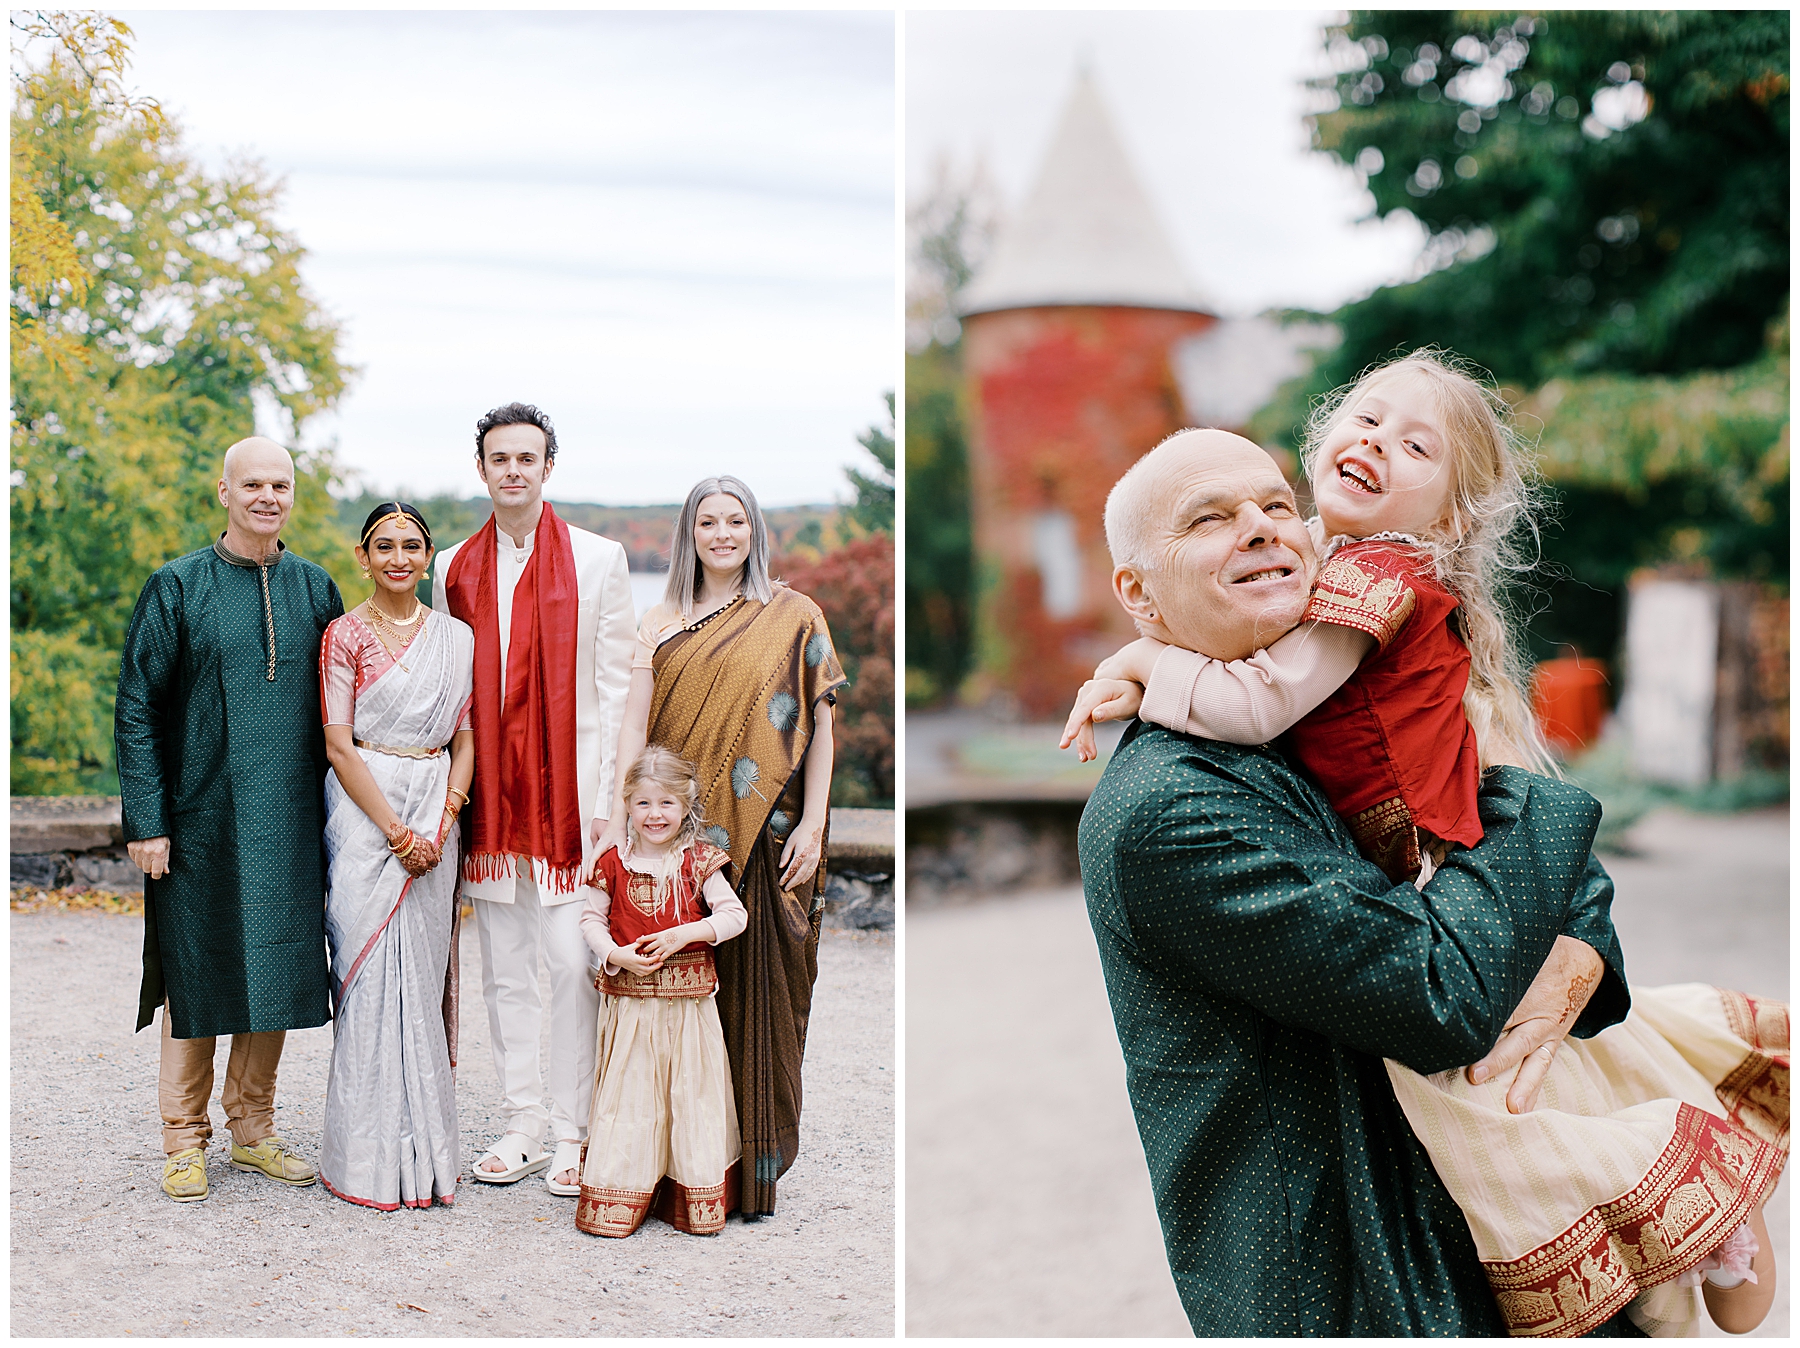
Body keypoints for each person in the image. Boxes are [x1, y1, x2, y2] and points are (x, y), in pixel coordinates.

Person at [1066, 361, 1785, 1333]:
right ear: (1140, 595)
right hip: (1360, 1285)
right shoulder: (1173, 809)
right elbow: (1440, 986)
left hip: (1444, 1232)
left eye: (1276, 504)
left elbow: (1549, 875)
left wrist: (1578, 948)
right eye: (1208, 518)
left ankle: (1693, 1210)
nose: (1262, 527)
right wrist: (1533, 823)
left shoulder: (1324, 675)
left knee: (1588, 1079)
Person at [606, 475, 846, 1217]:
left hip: (771, 836)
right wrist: (618, 824)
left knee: (765, 994)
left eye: (734, 520)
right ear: (689, 533)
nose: (721, 534)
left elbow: (821, 727)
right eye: (707, 522)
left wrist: (813, 821)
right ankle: (684, 1171)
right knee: (679, 1013)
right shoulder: (662, 621)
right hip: (676, 841)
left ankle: (754, 1169)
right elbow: (635, 731)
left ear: (753, 529)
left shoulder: (794, 614)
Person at [115, 436, 343, 1203]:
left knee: (274, 970)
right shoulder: (176, 587)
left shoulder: (316, 588)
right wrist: (147, 821)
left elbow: (347, 708)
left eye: (280, 483)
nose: (266, 496)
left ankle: (253, 1129)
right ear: (223, 491)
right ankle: (183, 1138)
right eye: (253, 484)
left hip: (291, 819)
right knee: (197, 970)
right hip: (200, 819)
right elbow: (137, 709)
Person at [432, 402, 635, 1196]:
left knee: (569, 965)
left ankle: (572, 1131)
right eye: (499, 458)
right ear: (481, 469)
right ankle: (520, 1124)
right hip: (490, 805)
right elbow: (447, 691)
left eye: (527, 457)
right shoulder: (452, 564)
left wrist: (611, 804)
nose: (512, 470)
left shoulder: (598, 560)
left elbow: (617, 689)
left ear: (549, 467)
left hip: (569, 806)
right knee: (503, 973)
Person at [317, 503, 475, 1210]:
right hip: (365, 813)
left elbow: (466, 738)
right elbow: (337, 743)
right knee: (369, 976)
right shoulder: (343, 635)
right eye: (385, 546)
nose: (399, 558)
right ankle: (365, 1165)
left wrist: (441, 820)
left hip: (437, 807)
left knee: (422, 975)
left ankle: (428, 1159)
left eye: (412, 545)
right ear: (363, 555)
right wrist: (395, 831)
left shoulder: (457, 639)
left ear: (429, 554)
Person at [575, 746, 747, 1238]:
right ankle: (624, 1194)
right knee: (633, 1098)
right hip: (630, 1006)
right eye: (645, 804)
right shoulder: (612, 861)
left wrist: (684, 935)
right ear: (627, 805)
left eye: (667, 803)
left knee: (688, 1095)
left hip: (687, 1009)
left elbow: (734, 917)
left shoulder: (698, 862)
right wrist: (616, 955)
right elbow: (590, 919)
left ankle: (688, 1195)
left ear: (686, 805)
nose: (655, 815)